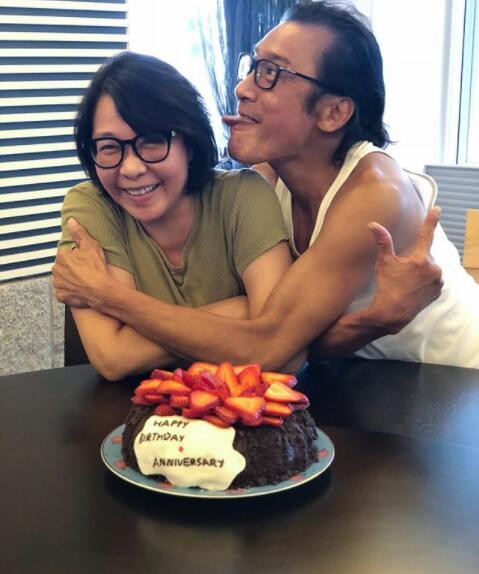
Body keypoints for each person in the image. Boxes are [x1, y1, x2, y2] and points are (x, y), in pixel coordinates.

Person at [55, 1, 469, 374]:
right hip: (361, 380)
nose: (242, 88)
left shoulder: (375, 193)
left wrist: (108, 295)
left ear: (333, 112)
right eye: (253, 67)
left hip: (454, 380)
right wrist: (366, 322)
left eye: (271, 73)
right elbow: (280, 347)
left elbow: (269, 347)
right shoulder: (268, 179)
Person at [56, 51, 296, 380]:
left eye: (152, 142)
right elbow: (112, 358)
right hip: (131, 408)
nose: (131, 168)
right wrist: (240, 312)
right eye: (109, 147)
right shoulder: (90, 206)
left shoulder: (245, 196)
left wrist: (109, 296)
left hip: (241, 407)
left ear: (190, 142)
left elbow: (281, 352)